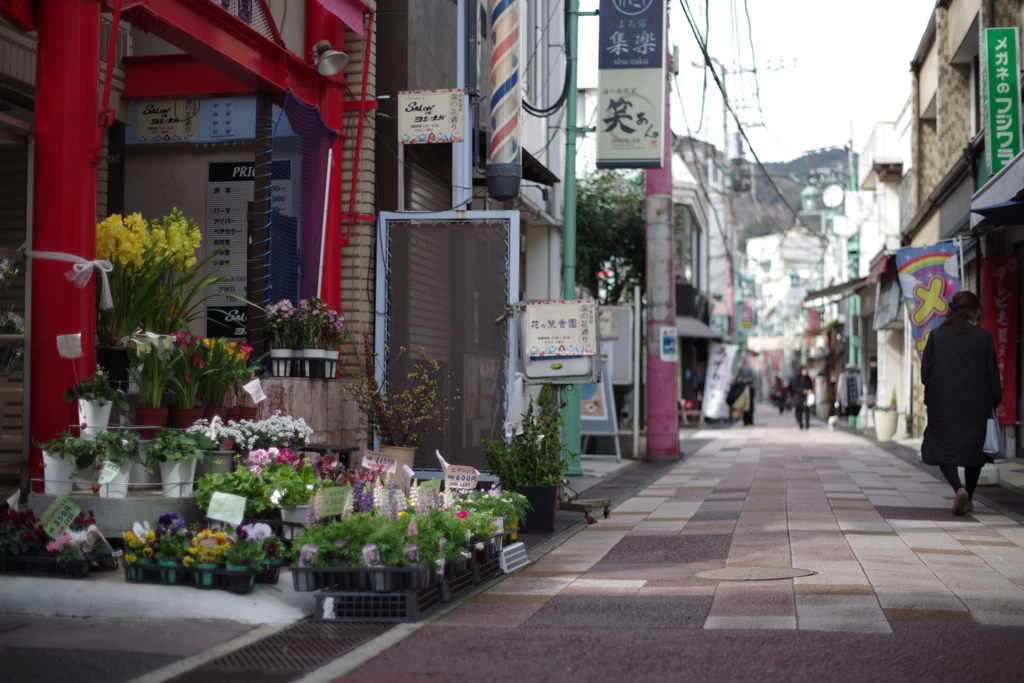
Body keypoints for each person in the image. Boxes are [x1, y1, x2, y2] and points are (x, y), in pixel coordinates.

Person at [921, 290, 1001, 517]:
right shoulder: (983, 336)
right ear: (974, 310)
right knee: (974, 452)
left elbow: (925, 373)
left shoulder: (936, 335)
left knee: (944, 448)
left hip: (943, 404)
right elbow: (992, 373)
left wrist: (935, 392)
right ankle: (970, 498)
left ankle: (959, 489)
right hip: (978, 404)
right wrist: (995, 399)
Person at [735, 358, 756, 426]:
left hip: (749, 389)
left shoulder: (749, 369)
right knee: (743, 405)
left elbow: (754, 377)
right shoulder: (740, 370)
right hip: (743, 390)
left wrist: (746, 380)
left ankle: (750, 421)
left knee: (749, 405)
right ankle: (745, 421)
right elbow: (737, 378)